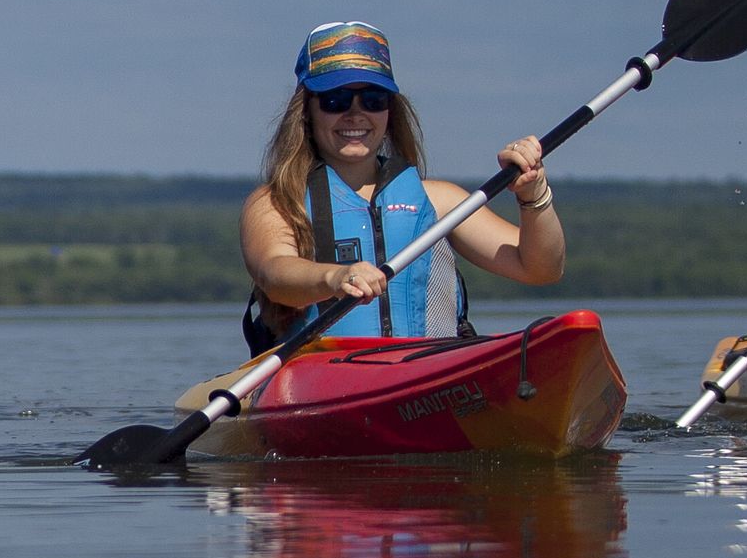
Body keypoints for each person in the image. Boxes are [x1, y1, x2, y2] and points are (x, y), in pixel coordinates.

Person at [237, 21, 563, 353]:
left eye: (374, 99)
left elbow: (540, 268)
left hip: (428, 367)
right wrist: (334, 278)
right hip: (319, 373)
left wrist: (533, 195)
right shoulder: (275, 203)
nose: (355, 114)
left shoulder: (441, 201)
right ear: (307, 111)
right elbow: (275, 274)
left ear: (390, 111)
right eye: (336, 100)